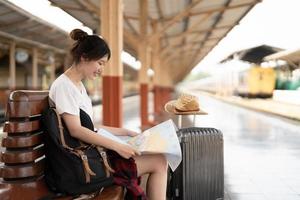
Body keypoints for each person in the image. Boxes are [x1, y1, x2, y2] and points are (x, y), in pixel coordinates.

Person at [49, 29, 168, 200]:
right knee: (159, 161)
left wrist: (126, 133)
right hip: (79, 167)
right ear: (84, 57)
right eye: (101, 63)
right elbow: (76, 130)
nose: (101, 70)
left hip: (85, 157)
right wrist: (117, 146)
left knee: (158, 158)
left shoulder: (77, 86)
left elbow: (89, 127)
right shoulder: (64, 86)